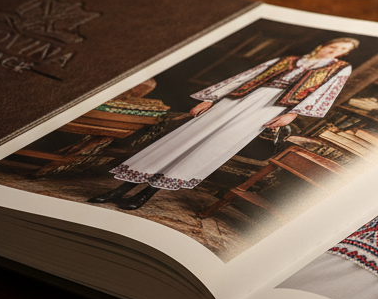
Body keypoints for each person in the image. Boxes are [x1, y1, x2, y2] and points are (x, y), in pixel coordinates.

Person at [88, 37, 359, 210]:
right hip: (238, 99)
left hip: (270, 108)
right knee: (185, 138)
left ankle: (145, 195)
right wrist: (211, 99)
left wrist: (293, 114)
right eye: (337, 44)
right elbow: (246, 77)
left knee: (211, 146)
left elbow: (327, 92)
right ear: (324, 44)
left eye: (344, 49)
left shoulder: (338, 69)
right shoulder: (287, 60)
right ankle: (121, 188)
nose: (338, 50)